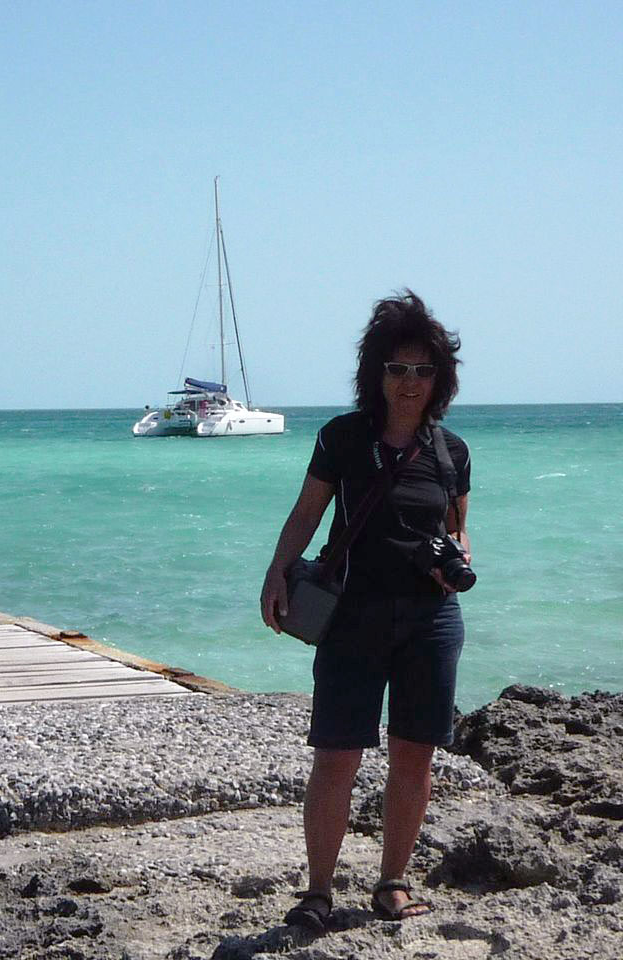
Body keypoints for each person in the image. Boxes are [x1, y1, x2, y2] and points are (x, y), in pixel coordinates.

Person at [259, 290, 471, 932]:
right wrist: (276, 573)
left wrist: (457, 558)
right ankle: (318, 891)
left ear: (440, 378)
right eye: (397, 368)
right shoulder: (343, 438)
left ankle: (392, 883)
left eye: (423, 370)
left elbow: (458, 531)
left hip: (431, 622)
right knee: (337, 754)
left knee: (414, 755)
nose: (410, 382)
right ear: (375, 372)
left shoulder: (451, 451)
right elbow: (307, 513)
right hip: (352, 617)